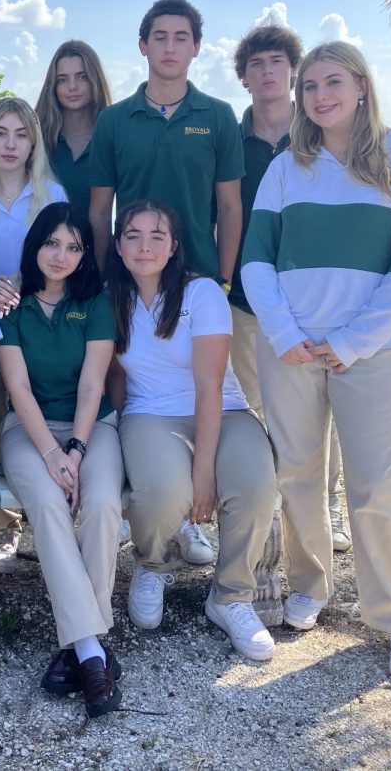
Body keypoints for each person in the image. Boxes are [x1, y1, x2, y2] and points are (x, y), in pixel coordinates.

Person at [241, 41, 391, 684]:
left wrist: (352, 340)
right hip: (292, 350)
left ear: (360, 85)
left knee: (376, 485)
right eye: (310, 86)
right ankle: (310, 586)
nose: (319, 96)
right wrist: (284, 333)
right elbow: (256, 260)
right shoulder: (285, 168)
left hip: (369, 353)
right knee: (298, 472)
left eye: (333, 83)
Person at [107, 200, 278, 662]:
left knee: (255, 486)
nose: (145, 246)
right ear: (118, 245)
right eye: (133, 235)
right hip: (150, 414)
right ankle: (152, 564)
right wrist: (123, 435)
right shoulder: (109, 297)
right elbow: (115, 378)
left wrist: (204, 472)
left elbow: (208, 385)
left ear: (174, 247)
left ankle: (230, 597)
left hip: (223, 409)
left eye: (157, 236)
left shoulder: (201, 294)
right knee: (162, 491)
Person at [0, 202, 124, 718]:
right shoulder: (9, 301)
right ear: (35, 245)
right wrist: (51, 454)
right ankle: (93, 650)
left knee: (102, 506)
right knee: (48, 505)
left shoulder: (95, 302)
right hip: (27, 429)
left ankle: (76, 646)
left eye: (74, 246)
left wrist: (75, 449)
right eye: (53, 242)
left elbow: (94, 384)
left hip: (93, 428)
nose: (62, 255)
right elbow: (17, 386)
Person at [229, 26, 351, 553]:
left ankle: (326, 504)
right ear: (244, 77)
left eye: (277, 62)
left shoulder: (324, 135)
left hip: (316, 301)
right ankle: (265, 504)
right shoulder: (229, 142)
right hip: (246, 297)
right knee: (251, 407)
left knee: (324, 408)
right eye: (256, 65)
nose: (267, 73)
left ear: (293, 73)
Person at [0, 96, 67, 574]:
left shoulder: (51, 195)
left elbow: (67, 260)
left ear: (33, 142)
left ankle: (47, 521)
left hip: (37, 324)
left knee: (33, 421)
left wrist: (26, 282)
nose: (10, 144)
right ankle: (4, 526)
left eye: (20, 134)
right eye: (0, 133)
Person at [88, 0, 244, 285]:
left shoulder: (219, 116)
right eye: (160, 38)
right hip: (128, 280)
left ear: (196, 47)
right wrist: (101, 276)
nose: (170, 48)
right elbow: (98, 211)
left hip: (200, 277)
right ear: (143, 46)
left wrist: (223, 278)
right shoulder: (112, 120)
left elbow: (229, 207)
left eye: (181, 38)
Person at [34, 40, 113, 219]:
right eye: (62, 79)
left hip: (101, 244)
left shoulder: (113, 135)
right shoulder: (35, 138)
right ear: (53, 85)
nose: (72, 86)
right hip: (45, 245)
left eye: (82, 77)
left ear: (95, 80)